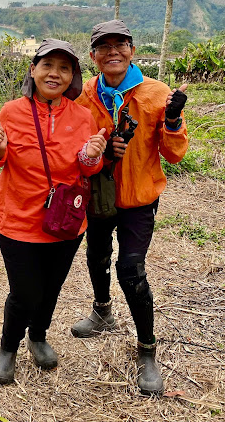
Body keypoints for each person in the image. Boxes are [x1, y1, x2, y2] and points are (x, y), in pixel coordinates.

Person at [71, 20, 188, 396]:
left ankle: (147, 350)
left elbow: (174, 154)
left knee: (131, 270)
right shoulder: (85, 94)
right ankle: (102, 310)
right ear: (93, 57)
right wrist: (100, 157)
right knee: (96, 255)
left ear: (132, 50)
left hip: (139, 197)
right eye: (103, 47)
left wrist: (172, 119)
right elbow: (74, 145)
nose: (112, 52)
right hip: (100, 195)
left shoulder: (156, 93)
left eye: (120, 44)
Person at [0, 38, 107, 384]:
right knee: (25, 292)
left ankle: (37, 335)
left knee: (52, 286)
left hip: (64, 220)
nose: (55, 73)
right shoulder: (11, 111)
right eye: (48, 65)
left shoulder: (83, 116)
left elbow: (86, 167)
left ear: (73, 77)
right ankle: (8, 347)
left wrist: (93, 155)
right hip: (18, 219)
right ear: (33, 70)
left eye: (64, 68)